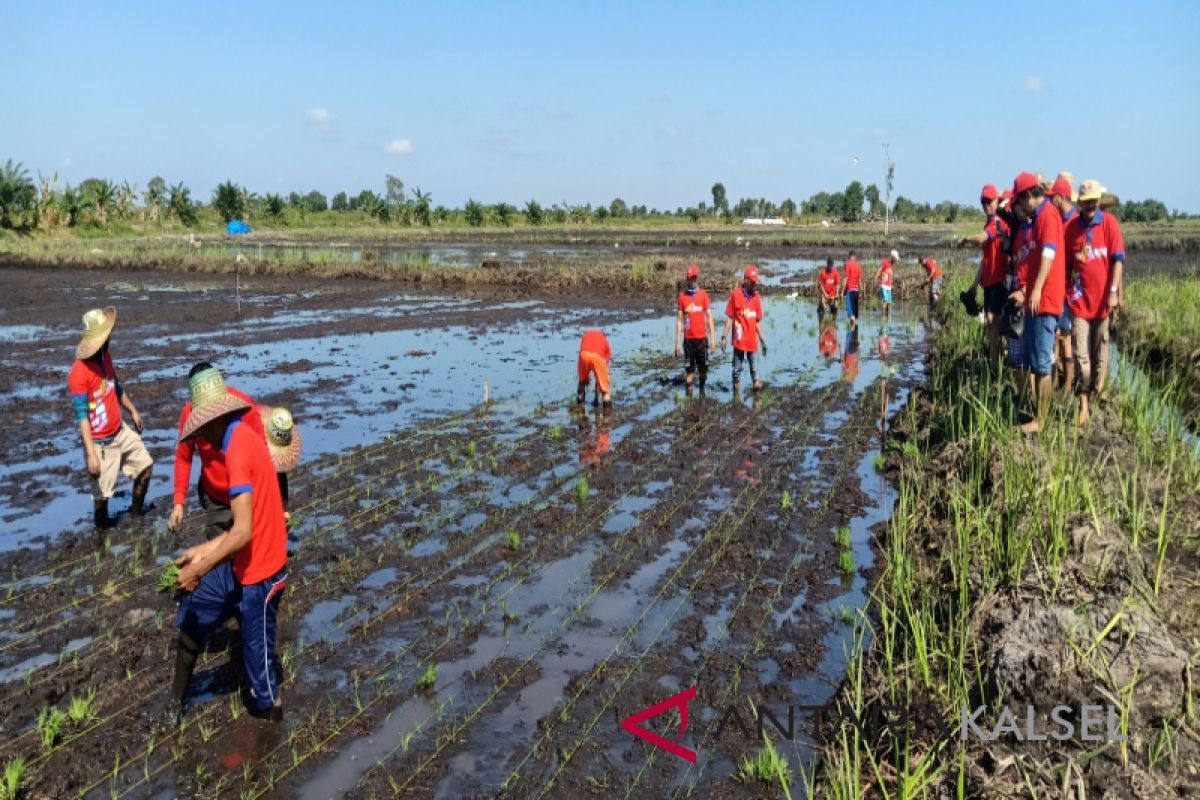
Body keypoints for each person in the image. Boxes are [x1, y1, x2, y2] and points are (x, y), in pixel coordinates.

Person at [171, 366, 288, 722]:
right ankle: (174, 702)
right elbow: (239, 529)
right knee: (197, 604)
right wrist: (201, 552)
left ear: (214, 420)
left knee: (260, 671)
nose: (200, 434)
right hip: (242, 561)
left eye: (203, 426)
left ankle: (271, 720)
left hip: (262, 572)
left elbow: (242, 533)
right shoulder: (234, 438)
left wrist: (201, 566)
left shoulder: (237, 448)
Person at [67, 307, 154, 529]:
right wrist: (91, 455)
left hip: (120, 431)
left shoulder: (106, 357)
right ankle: (101, 538)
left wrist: (132, 410)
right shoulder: (79, 373)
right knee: (102, 501)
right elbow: (82, 416)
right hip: (98, 443)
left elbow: (115, 386)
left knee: (145, 467)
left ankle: (136, 516)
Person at [169, 362, 264, 538]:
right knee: (219, 552)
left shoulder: (245, 409)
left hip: (247, 493)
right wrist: (179, 502)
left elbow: (264, 457)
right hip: (215, 497)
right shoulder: (190, 416)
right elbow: (184, 457)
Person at [1008, 171, 1067, 434]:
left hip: (1045, 301)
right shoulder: (1037, 218)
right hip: (1036, 301)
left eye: (1019, 202)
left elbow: (1049, 253)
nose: (1018, 207)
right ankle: (1037, 413)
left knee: (1043, 364)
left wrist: (1036, 289)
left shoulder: (1047, 216)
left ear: (1029, 196)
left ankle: (1041, 421)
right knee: (1037, 362)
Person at [1065, 179, 1126, 426]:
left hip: (1103, 302)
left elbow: (1118, 261)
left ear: (1099, 201)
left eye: (1094, 200)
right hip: (1079, 302)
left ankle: (1098, 393)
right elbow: (1066, 266)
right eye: (1086, 201)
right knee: (1082, 356)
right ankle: (1083, 402)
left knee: (1101, 350)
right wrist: (1065, 291)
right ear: (1080, 203)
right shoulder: (1071, 229)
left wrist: (1115, 292)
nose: (1090, 205)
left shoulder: (1110, 224)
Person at [964, 184, 1011, 366]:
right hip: (989, 282)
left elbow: (983, 238)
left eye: (989, 201)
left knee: (994, 321)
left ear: (997, 201)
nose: (986, 205)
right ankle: (994, 364)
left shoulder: (997, 222)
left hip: (1000, 280)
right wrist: (975, 285)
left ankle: (1001, 362)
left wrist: (966, 239)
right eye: (983, 202)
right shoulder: (989, 223)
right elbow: (985, 260)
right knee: (991, 325)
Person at [1047, 175, 1078, 392]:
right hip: (1057, 288)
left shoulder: (1073, 222)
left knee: (1065, 338)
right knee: (1056, 337)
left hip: (1067, 289)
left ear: (1061, 197)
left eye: (1053, 197)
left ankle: (1067, 385)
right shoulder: (1059, 219)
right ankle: (1057, 381)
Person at [722, 265, 768, 394]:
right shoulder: (735, 295)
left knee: (755, 371)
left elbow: (757, 322)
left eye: (755, 281)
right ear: (746, 280)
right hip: (739, 341)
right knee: (737, 372)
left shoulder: (757, 298)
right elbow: (730, 317)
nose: (754, 284)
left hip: (752, 342)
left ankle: (756, 401)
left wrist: (763, 340)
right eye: (752, 281)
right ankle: (735, 397)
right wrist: (724, 336)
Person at [674, 264, 716, 397]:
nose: (693, 281)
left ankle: (702, 392)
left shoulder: (703, 295)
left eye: (695, 278)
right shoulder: (682, 297)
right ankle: (689, 400)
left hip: (702, 340)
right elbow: (680, 321)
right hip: (688, 342)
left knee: (703, 372)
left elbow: (709, 318)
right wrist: (677, 344)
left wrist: (713, 340)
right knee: (689, 375)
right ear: (687, 279)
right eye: (691, 278)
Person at [577, 329, 613, 408]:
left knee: (582, 382)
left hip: (583, 355)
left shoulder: (586, 335)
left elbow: (582, 349)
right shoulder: (605, 341)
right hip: (598, 357)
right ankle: (607, 417)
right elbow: (599, 375)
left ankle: (579, 408)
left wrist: (585, 378)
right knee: (605, 391)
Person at [874, 251, 897, 320]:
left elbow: (890, 275)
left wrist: (891, 284)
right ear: (892, 257)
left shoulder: (891, 264)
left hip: (889, 286)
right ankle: (883, 316)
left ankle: (888, 317)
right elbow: (879, 270)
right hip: (884, 285)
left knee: (889, 303)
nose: (895, 261)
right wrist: (875, 278)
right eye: (895, 259)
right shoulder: (885, 262)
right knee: (885, 301)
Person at [842, 250, 863, 326]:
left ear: (849, 256)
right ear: (855, 257)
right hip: (856, 290)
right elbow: (860, 280)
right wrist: (861, 291)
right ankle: (855, 335)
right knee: (855, 314)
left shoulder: (847, 264)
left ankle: (851, 333)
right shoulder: (858, 265)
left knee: (850, 314)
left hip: (849, 290)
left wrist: (842, 291)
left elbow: (846, 278)